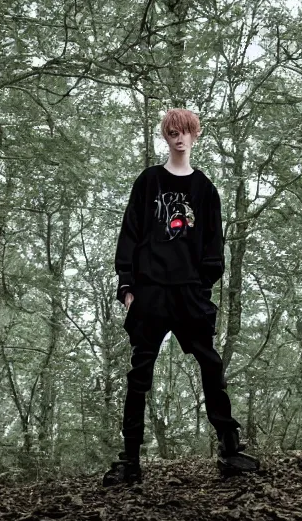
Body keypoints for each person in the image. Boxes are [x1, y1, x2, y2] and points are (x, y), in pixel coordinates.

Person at [103, 108, 259, 485]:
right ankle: (130, 460)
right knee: (139, 375)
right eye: (172, 132)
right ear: (165, 136)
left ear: (195, 136)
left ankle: (230, 448)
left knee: (210, 365)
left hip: (190, 293)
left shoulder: (205, 189)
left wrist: (202, 287)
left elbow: (213, 245)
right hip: (150, 292)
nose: (179, 138)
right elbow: (130, 232)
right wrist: (127, 288)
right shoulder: (148, 182)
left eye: (185, 132)